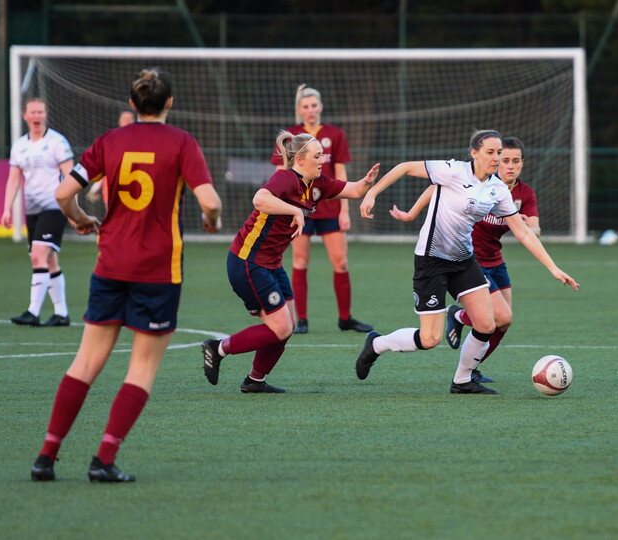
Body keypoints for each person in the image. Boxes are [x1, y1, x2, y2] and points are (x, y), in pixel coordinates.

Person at [29, 68, 223, 483]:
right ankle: (103, 460)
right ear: (169, 103)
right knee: (142, 368)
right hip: (158, 271)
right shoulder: (182, 142)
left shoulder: (109, 141)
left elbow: (63, 193)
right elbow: (210, 201)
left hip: (110, 265)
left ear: (133, 104)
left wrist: (80, 219)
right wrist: (212, 220)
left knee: (85, 363)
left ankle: (46, 456)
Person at [354, 130, 578, 394]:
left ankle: (462, 380)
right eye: (490, 152)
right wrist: (372, 193)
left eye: (498, 153)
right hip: (432, 260)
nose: (496, 158)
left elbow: (523, 232)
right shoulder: (453, 171)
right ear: (474, 153)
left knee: (487, 324)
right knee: (430, 339)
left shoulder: (497, 190)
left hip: (464, 261)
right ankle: (377, 344)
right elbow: (404, 167)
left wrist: (553, 268)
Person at [202, 131, 380, 394]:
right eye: (317, 156)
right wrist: (294, 210)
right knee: (281, 327)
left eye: (323, 155)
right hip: (248, 261)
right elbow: (259, 199)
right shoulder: (285, 178)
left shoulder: (318, 184)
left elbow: (353, 190)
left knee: (288, 325)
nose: (322, 160)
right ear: (300, 159)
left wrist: (367, 182)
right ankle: (217, 348)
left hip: (271, 264)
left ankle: (254, 380)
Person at [389, 136, 540, 385]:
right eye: (504, 160)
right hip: (470, 258)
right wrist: (412, 213)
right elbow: (435, 188)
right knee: (493, 318)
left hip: (495, 259)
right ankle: (461, 334)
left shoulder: (522, 193)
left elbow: (533, 230)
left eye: (516, 161)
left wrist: (525, 226)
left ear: (523, 163)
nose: (509, 165)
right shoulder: (474, 178)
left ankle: (470, 365)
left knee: (504, 321)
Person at [269, 85, 372, 335]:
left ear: (321, 107)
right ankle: (301, 319)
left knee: (341, 263)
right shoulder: (291, 137)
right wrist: (284, 207)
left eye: (314, 105)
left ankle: (345, 318)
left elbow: (341, 173)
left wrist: (344, 211)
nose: (310, 110)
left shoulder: (335, 134)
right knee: (300, 261)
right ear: (299, 109)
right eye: (305, 106)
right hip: (300, 209)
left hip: (330, 207)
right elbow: (280, 174)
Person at [1, 99, 75, 327]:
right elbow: (14, 179)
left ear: (46, 114)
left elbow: (71, 177)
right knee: (49, 260)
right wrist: (6, 208)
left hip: (54, 206)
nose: (37, 116)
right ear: (25, 116)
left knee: (37, 255)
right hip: (32, 209)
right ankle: (61, 314)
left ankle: (33, 312)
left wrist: (73, 208)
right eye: (32, 112)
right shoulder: (19, 146)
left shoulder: (57, 142)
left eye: (40, 112)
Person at [86, 109, 136, 203]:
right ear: (119, 121)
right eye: (124, 119)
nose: (126, 121)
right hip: (112, 189)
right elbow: (103, 167)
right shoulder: (109, 142)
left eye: (129, 119)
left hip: (135, 188)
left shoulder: (141, 142)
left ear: (134, 121)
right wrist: (94, 188)